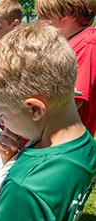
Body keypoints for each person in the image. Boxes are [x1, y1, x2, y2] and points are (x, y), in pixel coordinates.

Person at [0, 21, 96, 221]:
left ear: (35, 110)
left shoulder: (23, 189)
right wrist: (12, 160)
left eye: (1, 114)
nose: (1, 122)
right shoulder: (85, 145)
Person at [35, 0, 96, 137]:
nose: (41, 22)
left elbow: (74, 99)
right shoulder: (64, 43)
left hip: (66, 142)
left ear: (70, 13)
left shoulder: (87, 42)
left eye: (46, 16)